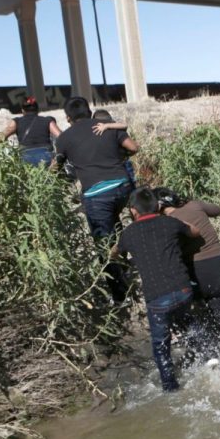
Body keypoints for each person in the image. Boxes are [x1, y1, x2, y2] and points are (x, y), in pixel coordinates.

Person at [111, 187, 203, 391]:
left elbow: (115, 253)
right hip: (183, 291)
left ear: (134, 211)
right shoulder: (169, 223)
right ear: (157, 205)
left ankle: (170, 387)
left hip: (158, 298)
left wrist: (112, 252)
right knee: (187, 322)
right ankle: (204, 357)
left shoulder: (129, 233)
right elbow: (195, 231)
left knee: (161, 345)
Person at [54, 96, 137, 303]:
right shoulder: (106, 127)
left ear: (67, 117)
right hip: (123, 187)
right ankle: (126, 263)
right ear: (89, 111)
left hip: (96, 195)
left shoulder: (63, 138)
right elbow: (133, 147)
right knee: (114, 221)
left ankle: (120, 296)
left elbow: (55, 167)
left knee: (103, 244)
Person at [154, 187, 220, 356]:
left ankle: (211, 357)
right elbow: (217, 209)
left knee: (202, 320)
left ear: (158, 206)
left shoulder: (166, 223)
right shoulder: (194, 205)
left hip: (196, 272)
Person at [0, 96, 62, 166]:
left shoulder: (16, 121)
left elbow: (3, 135)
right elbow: (61, 136)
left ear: (22, 110)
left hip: (26, 158)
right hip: (46, 157)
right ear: (37, 109)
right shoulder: (47, 121)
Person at [91, 109, 137, 189]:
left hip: (120, 164)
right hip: (120, 163)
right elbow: (133, 148)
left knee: (131, 183)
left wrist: (107, 126)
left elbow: (124, 125)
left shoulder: (112, 127)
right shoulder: (108, 130)